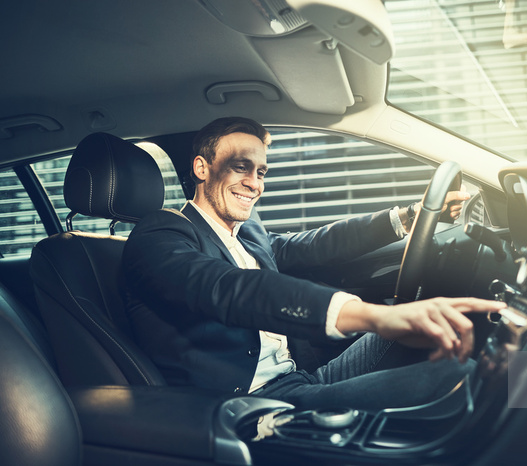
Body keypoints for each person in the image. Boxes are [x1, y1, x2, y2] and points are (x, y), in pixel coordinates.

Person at [122, 116, 506, 410]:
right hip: (254, 404)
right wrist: (372, 315)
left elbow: (315, 245)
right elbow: (228, 289)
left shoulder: (248, 232)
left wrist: (409, 215)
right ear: (202, 168)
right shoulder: (160, 235)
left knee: (454, 331)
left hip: (302, 376)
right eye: (240, 167)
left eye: (261, 172)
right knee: (463, 380)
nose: (255, 183)